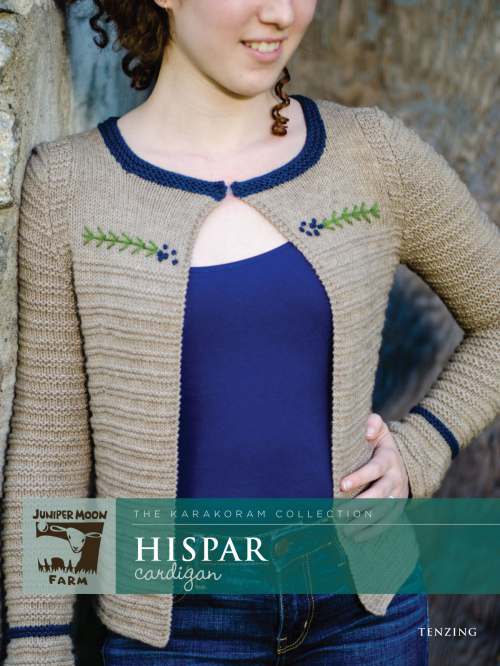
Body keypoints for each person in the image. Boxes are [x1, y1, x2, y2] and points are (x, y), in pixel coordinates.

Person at [2, 0, 499, 664]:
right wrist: (39, 641)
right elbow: (52, 443)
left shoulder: (370, 154)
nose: (281, 13)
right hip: (176, 636)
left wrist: (423, 446)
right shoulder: (71, 186)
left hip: (366, 617)